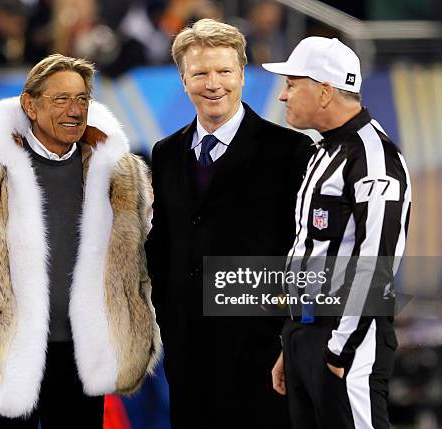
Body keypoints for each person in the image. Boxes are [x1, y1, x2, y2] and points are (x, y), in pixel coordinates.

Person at [0, 53, 162, 428]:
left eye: (81, 99)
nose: (74, 110)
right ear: (30, 104)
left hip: (81, 362)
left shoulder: (118, 173)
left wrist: (129, 338)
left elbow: (141, 267)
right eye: (61, 99)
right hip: (1, 360)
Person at [145, 18, 312, 428]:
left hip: (262, 353)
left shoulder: (290, 150)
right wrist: (169, 321)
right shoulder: (165, 153)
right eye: (200, 73)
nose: (213, 83)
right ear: (184, 80)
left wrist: (290, 339)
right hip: (189, 355)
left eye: (224, 71)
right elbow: (163, 245)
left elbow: (304, 253)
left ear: (242, 74)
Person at [263, 37, 412, 428]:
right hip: (309, 333)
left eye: (293, 84)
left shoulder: (373, 157)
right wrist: (292, 340)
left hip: (346, 338)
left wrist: (339, 351)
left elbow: (377, 261)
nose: (283, 96)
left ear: (325, 91)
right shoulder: (324, 151)